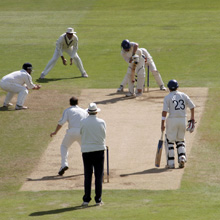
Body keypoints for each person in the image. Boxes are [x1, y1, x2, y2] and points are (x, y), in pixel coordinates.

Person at [161, 79, 195, 169]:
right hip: (183, 120)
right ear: (177, 87)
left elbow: (164, 112)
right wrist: (192, 118)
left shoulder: (167, 97)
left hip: (172, 120)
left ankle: (171, 163)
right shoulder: (183, 95)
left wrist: (162, 124)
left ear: (168, 88)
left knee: (170, 141)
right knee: (181, 140)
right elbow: (192, 106)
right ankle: (182, 157)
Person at [50, 96, 88, 176]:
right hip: (82, 132)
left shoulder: (67, 111)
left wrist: (55, 132)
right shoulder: (83, 111)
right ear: (78, 103)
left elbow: (61, 122)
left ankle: (64, 164)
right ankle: (89, 168)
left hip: (71, 132)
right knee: (85, 150)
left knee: (64, 146)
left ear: (70, 103)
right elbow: (87, 123)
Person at [80, 103, 106, 207]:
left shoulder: (83, 122)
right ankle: (98, 200)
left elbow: (81, 133)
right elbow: (104, 134)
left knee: (87, 174)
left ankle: (86, 199)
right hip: (99, 149)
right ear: (96, 112)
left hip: (86, 150)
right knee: (98, 175)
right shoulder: (101, 122)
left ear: (88, 112)